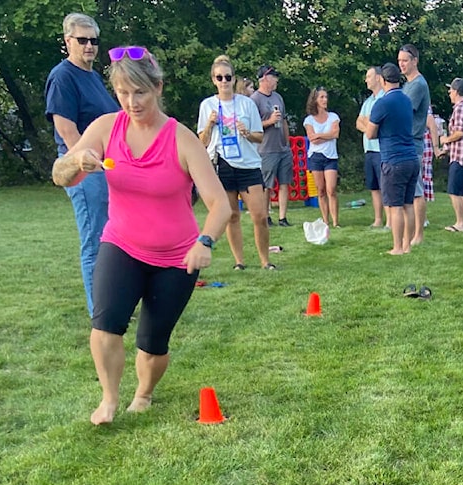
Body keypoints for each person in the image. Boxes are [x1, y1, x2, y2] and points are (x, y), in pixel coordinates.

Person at [51, 46, 233, 425]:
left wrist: (205, 242)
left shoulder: (182, 140)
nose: (131, 102)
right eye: (122, 93)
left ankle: (144, 393)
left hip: (177, 256)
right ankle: (109, 399)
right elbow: (59, 175)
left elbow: (220, 205)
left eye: (140, 93)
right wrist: (74, 162)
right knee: (105, 325)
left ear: (158, 88)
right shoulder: (105, 128)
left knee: (152, 344)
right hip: (121, 243)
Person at [45, 12, 120, 317]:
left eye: (94, 40)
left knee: (111, 239)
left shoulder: (92, 76)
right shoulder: (63, 76)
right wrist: (88, 164)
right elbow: (68, 132)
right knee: (95, 241)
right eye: (82, 40)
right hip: (84, 172)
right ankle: (99, 311)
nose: (89, 46)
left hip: (106, 168)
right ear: (68, 42)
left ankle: (113, 303)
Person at [197, 55, 273, 270]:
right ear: (213, 80)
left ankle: (265, 261)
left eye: (227, 77)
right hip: (223, 164)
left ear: (233, 79)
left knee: (259, 215)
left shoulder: (247, 104)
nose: (224, 81)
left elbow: (259, 136)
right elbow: (202, 142)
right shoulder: (207, 106)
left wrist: (247, 133)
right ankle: (239, 262)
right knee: (231, 216)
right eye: (219, 77)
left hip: (248, 165)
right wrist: (210, 125)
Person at [366, 63, 421, 255]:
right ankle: (407, 245)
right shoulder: (406, 100)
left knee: (395, 206)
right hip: (412, 158)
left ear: (382, 80)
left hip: (393, 159)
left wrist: (368, 125)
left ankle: (397, 247)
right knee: (408, 204)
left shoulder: (381, 103)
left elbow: (370, 134)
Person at [397, 44, 438, 245]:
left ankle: (418, 235)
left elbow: (403, 111)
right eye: (399, 61)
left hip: (413, 142)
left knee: (416, 190)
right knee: (408, 191)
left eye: (405, 60)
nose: (401, 64)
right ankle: (409, 234)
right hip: (405, 142)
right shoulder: (407, 84)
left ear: (415, 61)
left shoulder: (419, 85)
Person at [251, 64, 293, 228]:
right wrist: (269, 121)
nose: (276, 80)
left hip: (282, 148)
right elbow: (252, 127)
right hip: (266, 149)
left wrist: (287, 142)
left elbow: (283, 121)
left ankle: (283, 218)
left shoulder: (278, 97)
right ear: (265, 79)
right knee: (266, 186)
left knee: (284, 183)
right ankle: (266, 217)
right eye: (273, 77)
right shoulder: (255, 99)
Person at [437, 78, 463, 232]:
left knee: (454, 192)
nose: (449, 93)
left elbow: (459, 132)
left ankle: (460, 223)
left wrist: (445, 139)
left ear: (457, 91)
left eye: (451, 90)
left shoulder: (459, 109)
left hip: (459, 157)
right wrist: (445, 150)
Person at [303, 86, 341, 227]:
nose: (325, 100)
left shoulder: (333, 117)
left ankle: (336, 221)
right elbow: (312, 139)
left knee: (331, 189)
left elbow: (335, 134)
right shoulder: (309, 120)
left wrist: (319, 135)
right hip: (315, 157)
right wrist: (326, 135)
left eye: (326, 97)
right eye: (322, 97)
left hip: (330, 157)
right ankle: (326, 220)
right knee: (321, 190)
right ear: (315, 100)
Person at [356, 66, 387, 228]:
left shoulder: (384, 99)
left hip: (382, 150)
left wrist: (368, 123)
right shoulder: (368, 102)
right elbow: (358, 122)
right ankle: (378, 219)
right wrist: (369, 126)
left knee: (385, 186)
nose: (366, 80)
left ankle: (390, 220)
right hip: (369, 149)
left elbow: (380, 124)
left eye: (369, 76)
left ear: (378, 78)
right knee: (374, 187)